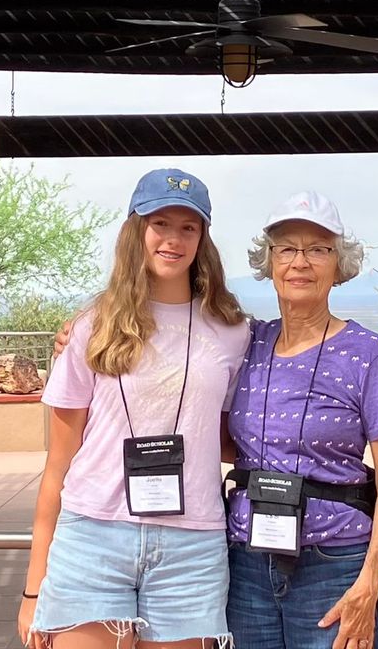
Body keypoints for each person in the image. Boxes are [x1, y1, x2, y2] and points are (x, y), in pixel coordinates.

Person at [18, 168, 249, 649]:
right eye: (160, 223)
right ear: (136, 231)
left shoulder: (233, 332)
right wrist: (33, 586)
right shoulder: (91, 327)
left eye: (189, 227)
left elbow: (230, 436)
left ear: (203, 238)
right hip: (93, 537)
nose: (173, 239)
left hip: (192, 545)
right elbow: (57, 466)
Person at [224, 191, 378, 649]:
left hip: (334, 562)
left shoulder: (366, 353)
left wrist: (369, 581)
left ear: (338, 264)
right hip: (247, 561)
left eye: (318, 249)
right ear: (269, 262)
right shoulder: (247, 342)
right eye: (286, 248)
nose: (300, 262)